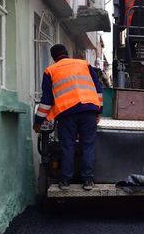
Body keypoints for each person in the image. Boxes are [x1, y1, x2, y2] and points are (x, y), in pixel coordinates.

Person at [33, 44, 103, 191]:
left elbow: (47, 100)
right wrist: (98, 111)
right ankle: (88, 181)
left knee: (68, 147)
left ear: (53, 58)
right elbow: (98, 88)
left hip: (66, 114)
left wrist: (38, 122)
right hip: (89, 110)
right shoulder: (84, 64)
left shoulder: (50, 71)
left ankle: (65, 181)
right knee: (88, 145)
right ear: (66, 53)